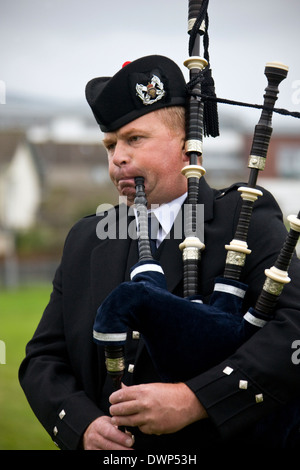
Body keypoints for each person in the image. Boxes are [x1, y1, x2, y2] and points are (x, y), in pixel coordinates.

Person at [19, 55, 300, 450]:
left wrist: (197, 399)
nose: (117, 157)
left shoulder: (245, 219)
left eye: (135, 139)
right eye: (110, 144)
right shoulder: (86, 238)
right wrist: (81, 424)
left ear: (189, 146)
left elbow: (294, 329)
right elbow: (43, 358)